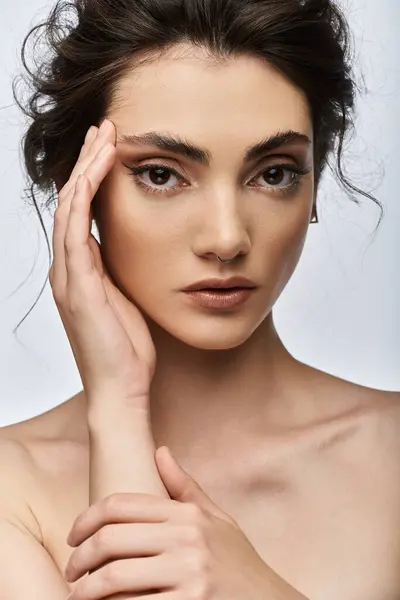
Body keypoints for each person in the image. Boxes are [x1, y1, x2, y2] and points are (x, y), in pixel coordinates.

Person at [1, 0, 399, 598]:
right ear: (78, 191)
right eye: (161, 174)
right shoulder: (11, 492)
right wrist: (117, 410)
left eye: (273, 172)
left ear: (314, 182)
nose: (227, 238)